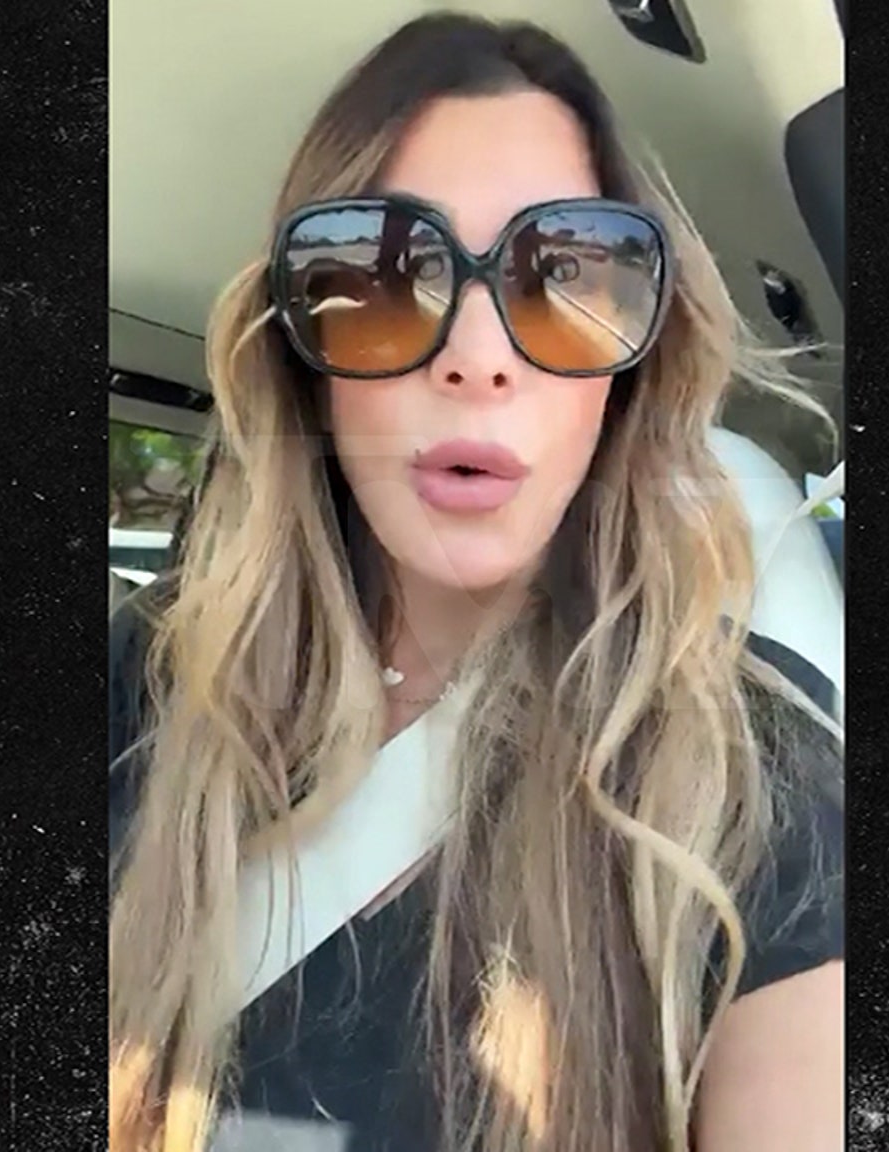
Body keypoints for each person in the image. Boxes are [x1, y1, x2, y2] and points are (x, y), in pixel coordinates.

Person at [109, 14, 843, 1152]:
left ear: (629, 374)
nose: (478, 355)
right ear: (303, 354)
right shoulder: (143, 677)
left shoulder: (759, 784)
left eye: (568, 278)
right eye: (382, 275)